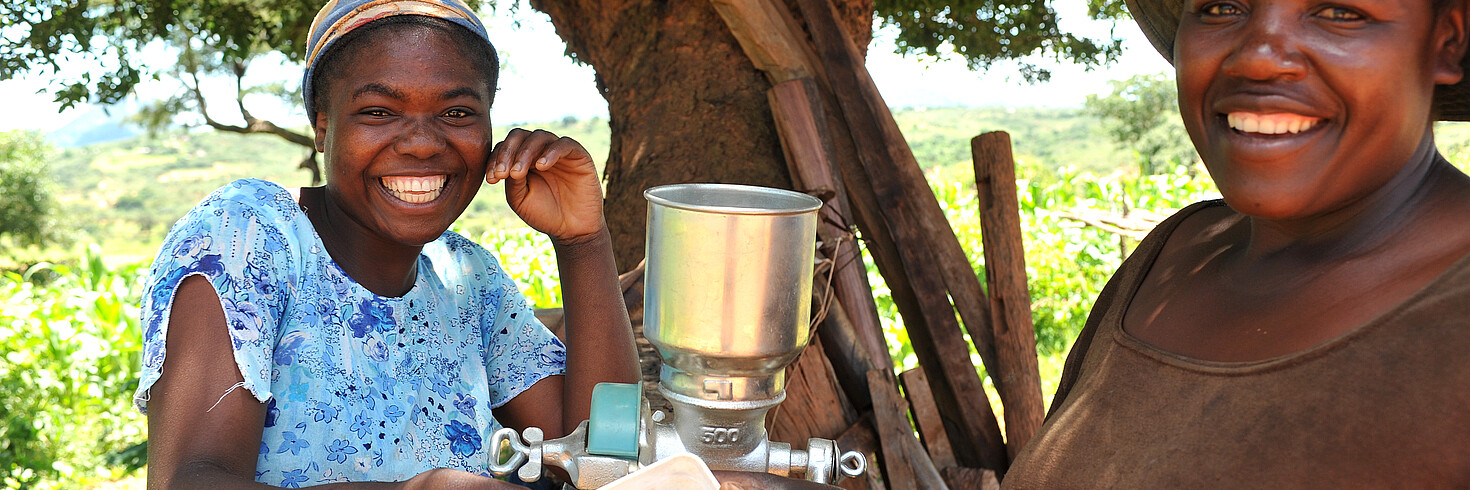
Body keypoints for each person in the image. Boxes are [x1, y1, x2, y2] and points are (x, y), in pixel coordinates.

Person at [133, 0, 639, 487]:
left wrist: (582, 242)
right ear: (323, 127)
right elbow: (189, 480)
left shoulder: (469, 278)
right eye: (378, 111)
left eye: (457, 113)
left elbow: (604, 456)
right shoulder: (248, 238)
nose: (421, 142)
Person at [1005, 0, 1470, 486]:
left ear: (1447, 39)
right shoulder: (1171, 256)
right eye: (1220, 6)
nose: (1256, 59)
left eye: (1338, 12)